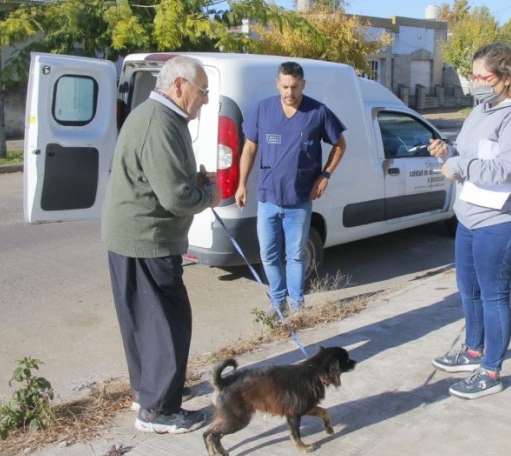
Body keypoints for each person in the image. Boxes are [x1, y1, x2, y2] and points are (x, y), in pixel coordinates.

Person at [102, 56, 220, 434]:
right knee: (170, 325)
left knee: (144, 324)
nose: (205, 99)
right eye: (202, 91)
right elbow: (176, 197)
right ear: (179, 86)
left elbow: (164, 177)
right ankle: (159, 412)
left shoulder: (160, 117)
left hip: (133, 237)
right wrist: (208, 195)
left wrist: (194, 181)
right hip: (147, 239)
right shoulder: (160, 123)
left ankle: (147, 391)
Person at [428, 43, 511, 399]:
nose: (475, 82)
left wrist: (459, 166)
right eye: (473, 75)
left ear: (506, 76)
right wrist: (448, 150)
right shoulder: (482, 109)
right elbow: (468, 152)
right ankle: (473, 349)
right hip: (470, 216)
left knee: (494, 296)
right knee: (469, 288)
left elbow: (503, 170)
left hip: (502, 220)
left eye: (482, 76)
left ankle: (491, 370)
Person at [235, 62, 346, 313]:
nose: (289, 93)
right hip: (268, 200)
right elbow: (249, 148)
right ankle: (278, 304)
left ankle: (297, 308)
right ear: (277, 84)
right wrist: (242, 184)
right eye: (285, 86)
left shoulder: (318, 112)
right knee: (268, 255)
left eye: (295, 87)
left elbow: (340, 145)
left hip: (299, 200)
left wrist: (325, 174)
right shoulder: (263, 111)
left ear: (303, 85)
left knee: (295, 256)